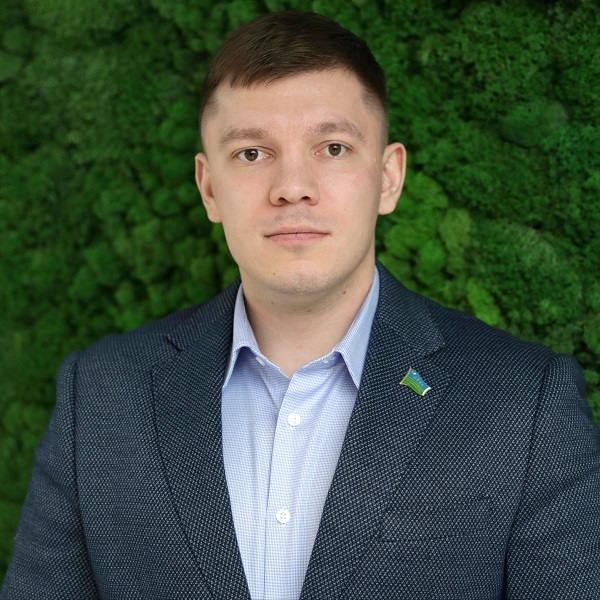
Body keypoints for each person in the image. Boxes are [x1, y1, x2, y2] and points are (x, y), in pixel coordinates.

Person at [2, 10, 599, 600]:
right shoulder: (99, 395)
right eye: (252, 154)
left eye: (332, 148)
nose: (292, 187)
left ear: (389, 177)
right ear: (208, 188)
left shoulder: (525, 403)